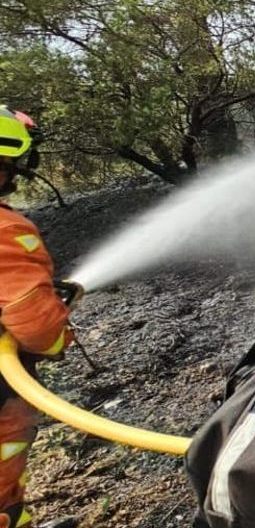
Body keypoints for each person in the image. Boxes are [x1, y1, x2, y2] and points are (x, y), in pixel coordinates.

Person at [0, 107, 74, 528]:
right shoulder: (5, 230)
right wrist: (59, 337)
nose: (13, 174)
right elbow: (38, 324)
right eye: (9, 164)